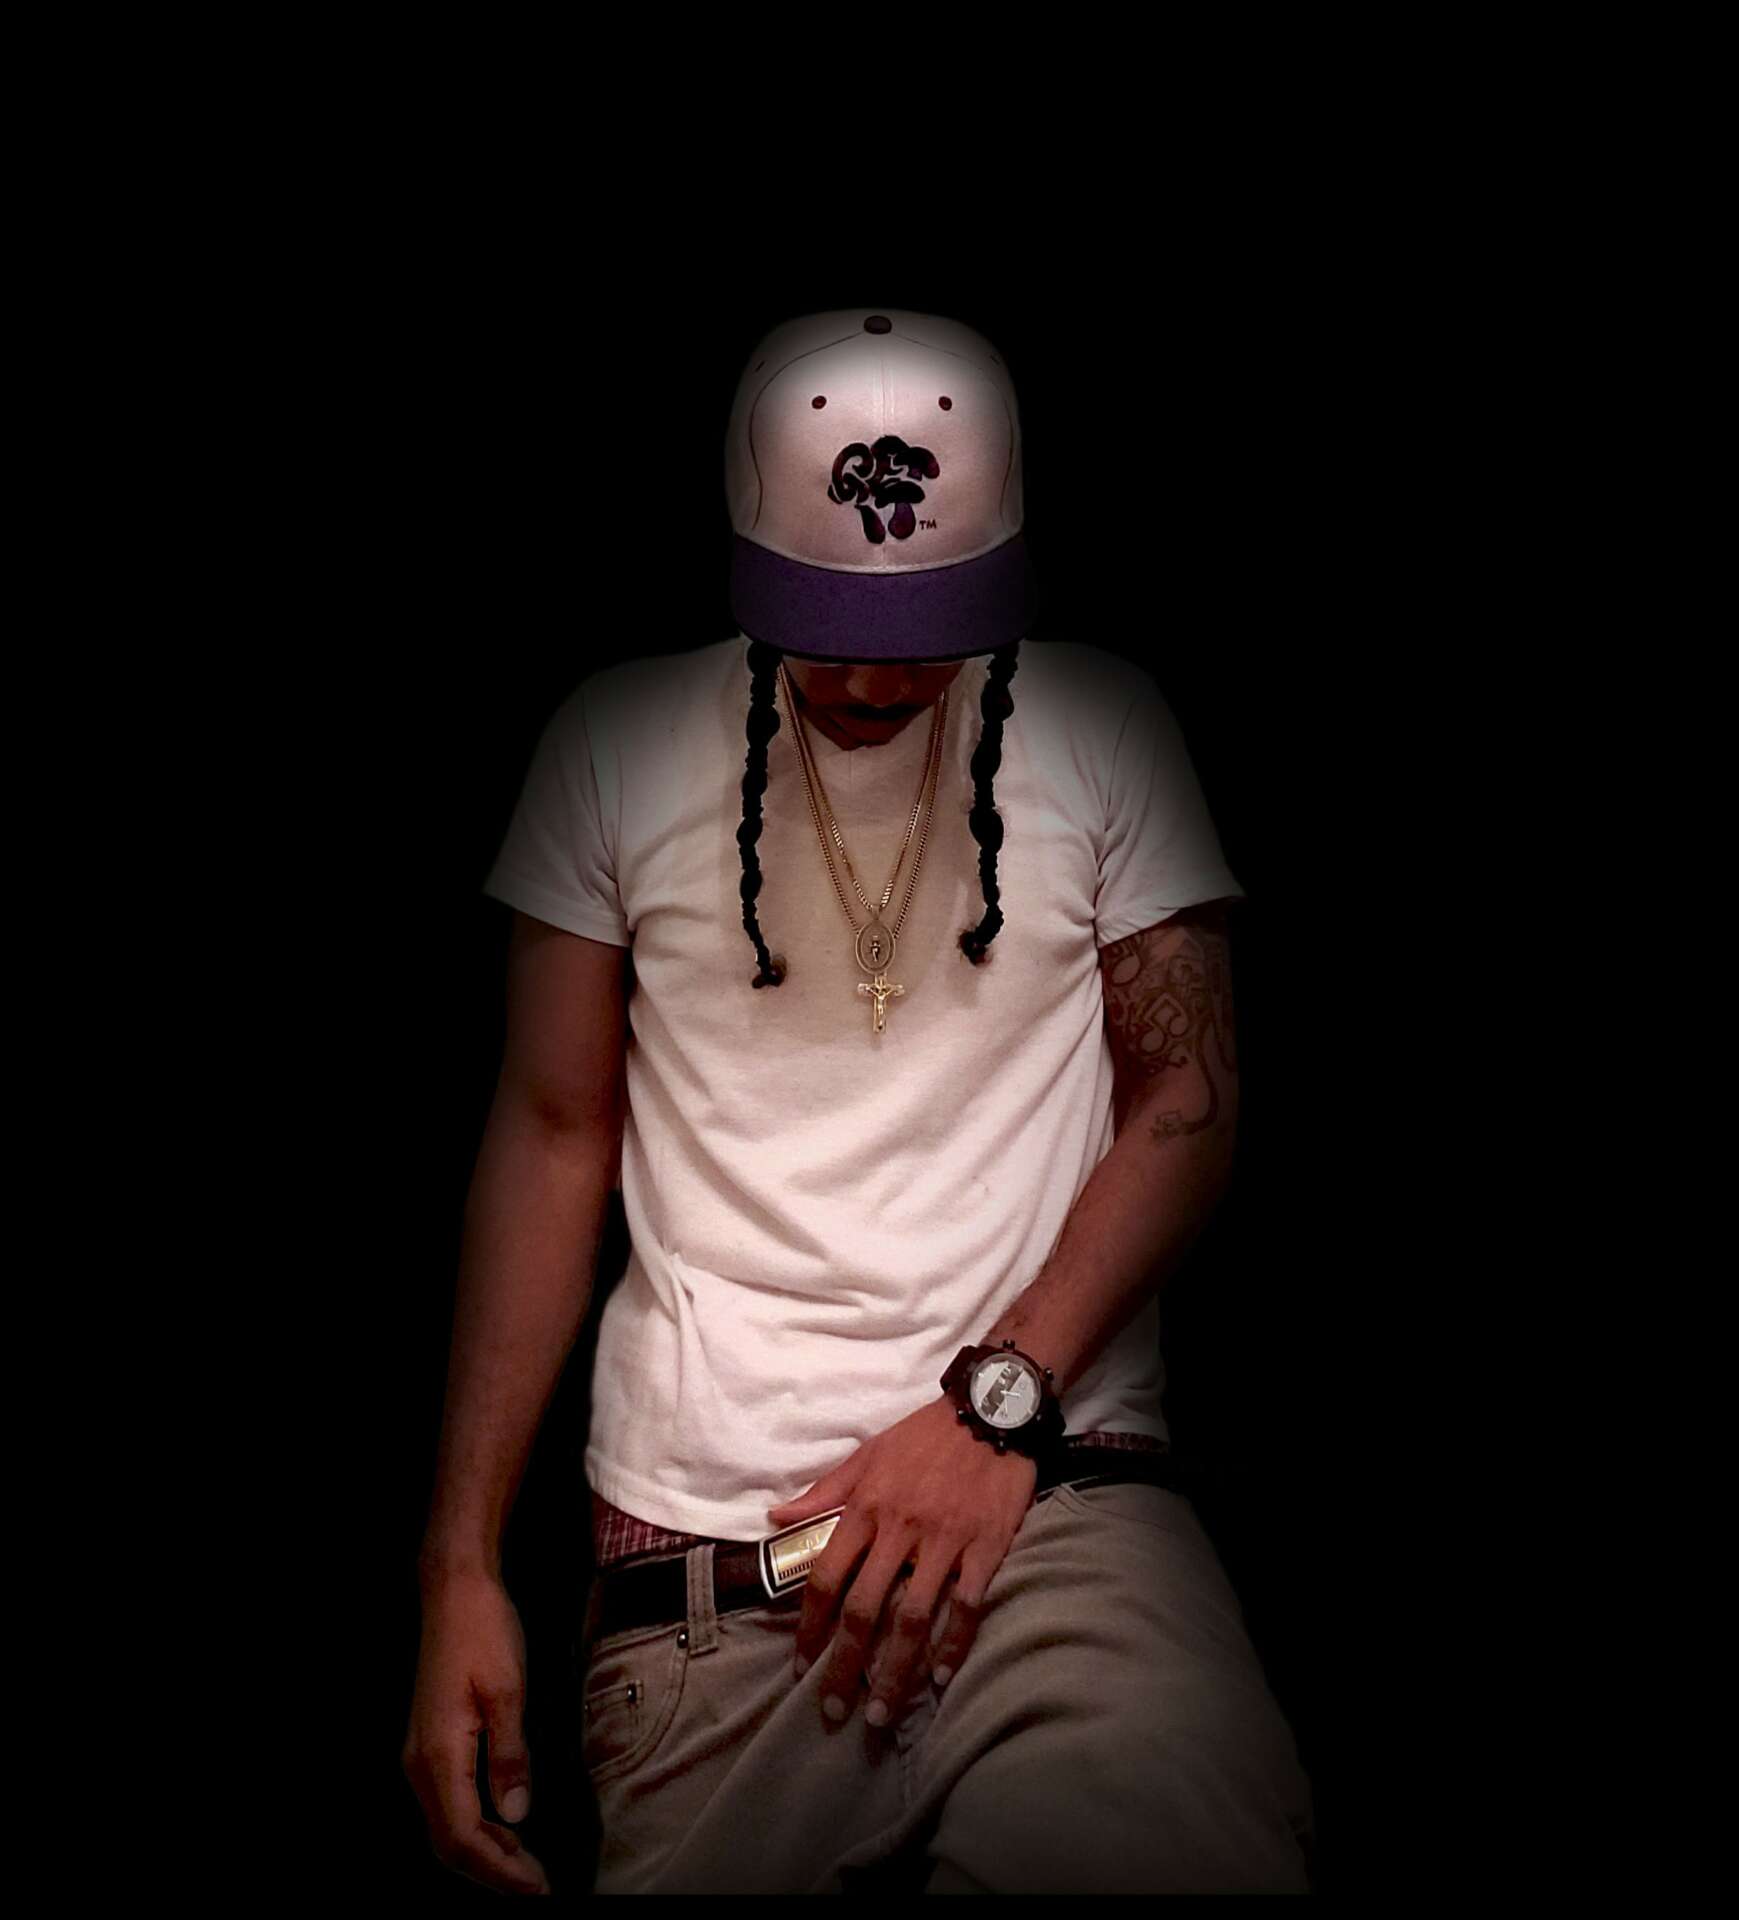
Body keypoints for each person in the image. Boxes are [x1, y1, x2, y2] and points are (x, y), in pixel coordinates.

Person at [401, 308, 1317, 1894]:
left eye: (930, 621)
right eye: (827, 619)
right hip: (706, 1574)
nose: (880, 671)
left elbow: (1190, 1096)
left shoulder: (1106, 727)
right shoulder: (613, 742)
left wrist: (994, 1406)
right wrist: (457, 1568)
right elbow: (551, 1135)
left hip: (1053, 1513)